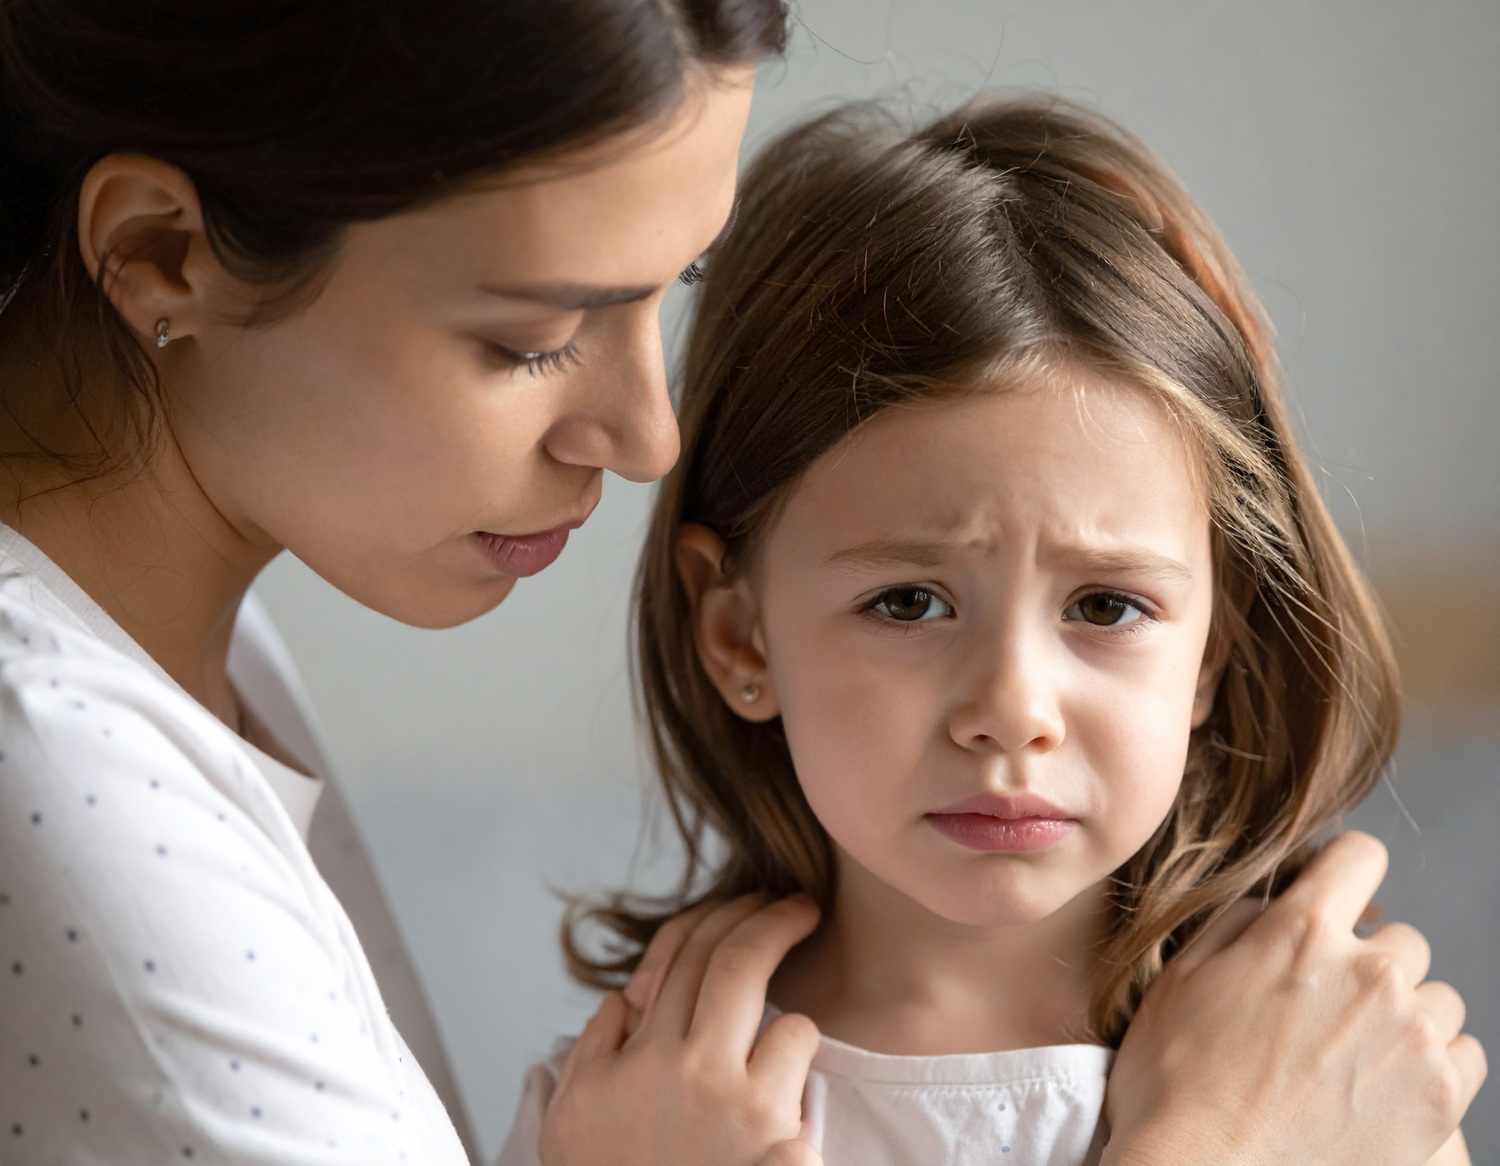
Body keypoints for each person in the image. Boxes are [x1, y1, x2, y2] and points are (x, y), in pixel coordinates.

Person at [0, 1, 1481, 1163]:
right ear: (156, 256)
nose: (653, 436)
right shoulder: (59, 776)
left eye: (669, 292)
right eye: (531, 333)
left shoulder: (201, 639)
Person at [501, 98, 1486, 1166]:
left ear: (1210, 647)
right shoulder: (642, 1116)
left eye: (1106, 606)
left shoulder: (1325, 1076)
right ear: (740, 635)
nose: (1012, 709)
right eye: (909, 602)